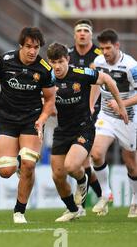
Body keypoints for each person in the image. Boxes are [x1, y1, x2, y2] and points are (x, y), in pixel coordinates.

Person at [0, 27, 56, 224]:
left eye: (37, 47)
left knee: (29, 163)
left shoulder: (45, 69)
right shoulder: (4, 62)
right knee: (6, 171)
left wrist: (42, 118)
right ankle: (21, 168)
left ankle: (19, 211)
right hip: (7, 119)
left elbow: (50, 100)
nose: (33, 51)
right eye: (29, 46)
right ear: (21, 45)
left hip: (31, 120)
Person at [46, 43, 127, 222]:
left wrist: (121, 106)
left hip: (83, 128)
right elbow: (41, 99)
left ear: (67, 60)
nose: (57, 66)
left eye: (60, 61)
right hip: (62, 131)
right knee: (57, 175)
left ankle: (82, 182)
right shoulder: (47, 78)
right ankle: (73, 209)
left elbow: (107, 80)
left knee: (72, 166)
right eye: (53, 62)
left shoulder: (81, 74)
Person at [90, 29, 137, 217]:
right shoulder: (99, 62)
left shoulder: (131, 66)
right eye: (102, 48)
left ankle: (135, 199)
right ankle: (105, 194)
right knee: (96, 153)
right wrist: (91, 105)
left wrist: (121, 105)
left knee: (130, 163)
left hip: (128, 118)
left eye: (108, 48)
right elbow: (95, 83)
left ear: (117, 46)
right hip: (106, 116)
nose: (105, 52)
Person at [68, 19, 104, 213]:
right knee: (82, 162)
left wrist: (91, 106)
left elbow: (100, 82)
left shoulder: (99, 56)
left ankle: (81, 204)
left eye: (86, 30)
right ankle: (102, 196)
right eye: (79, 30)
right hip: (71, 112)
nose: (82, 33)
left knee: (86, 158)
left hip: (95, 112)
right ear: (74, 35)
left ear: (91, 35)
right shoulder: (67, 55)